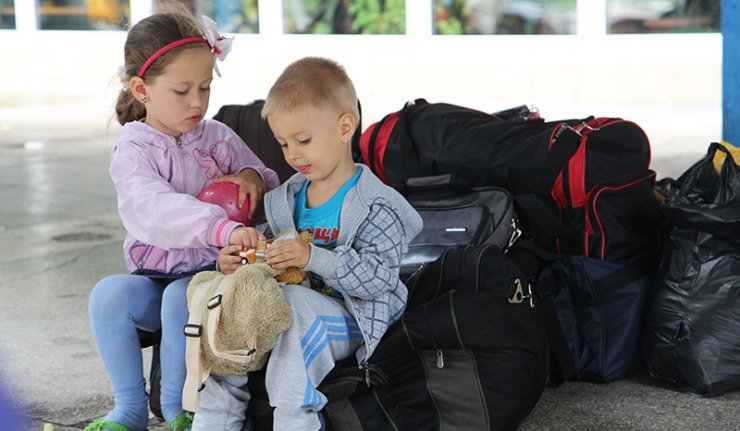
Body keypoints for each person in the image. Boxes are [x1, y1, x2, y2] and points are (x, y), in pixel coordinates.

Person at [191, 56, 423, 431]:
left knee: (296, 307)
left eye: (303, 140)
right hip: (290, 307)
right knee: (230, 302)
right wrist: (244, 260)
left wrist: (314, 256)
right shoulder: (288, 198)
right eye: (283, 144)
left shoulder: (376, 205)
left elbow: (379, 279)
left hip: (353, 316)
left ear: (345, 127)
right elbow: (275, 260)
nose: (293, 155)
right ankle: (214, 420)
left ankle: (295, 421)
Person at [86, 8, 279, 431]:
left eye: (205, 88)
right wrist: (219, 227)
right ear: (142, 89)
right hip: (156, 275)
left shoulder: (218, 138)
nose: (197, 102)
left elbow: (268, 185)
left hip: (216, 279)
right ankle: (130, 409)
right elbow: (152, 208)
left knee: (182, 297)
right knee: (108, 296)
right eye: (182, 90)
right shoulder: (134, 148)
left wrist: (252, 178)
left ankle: (180, 410)